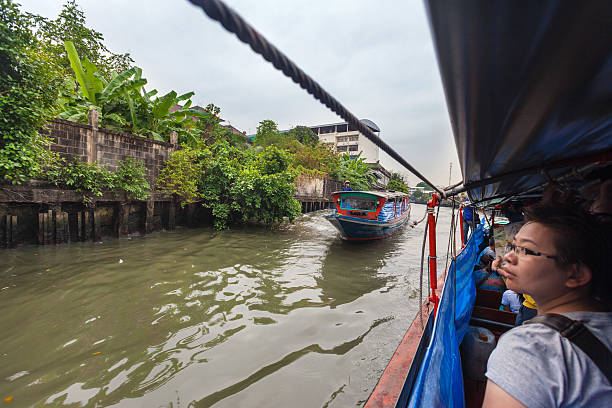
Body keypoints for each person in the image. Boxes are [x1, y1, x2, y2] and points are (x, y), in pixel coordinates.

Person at [482, 203, 612, 407]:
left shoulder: (529, 349)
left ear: (575, 274)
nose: (508, 257)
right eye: (513, 247)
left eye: (526, 250)